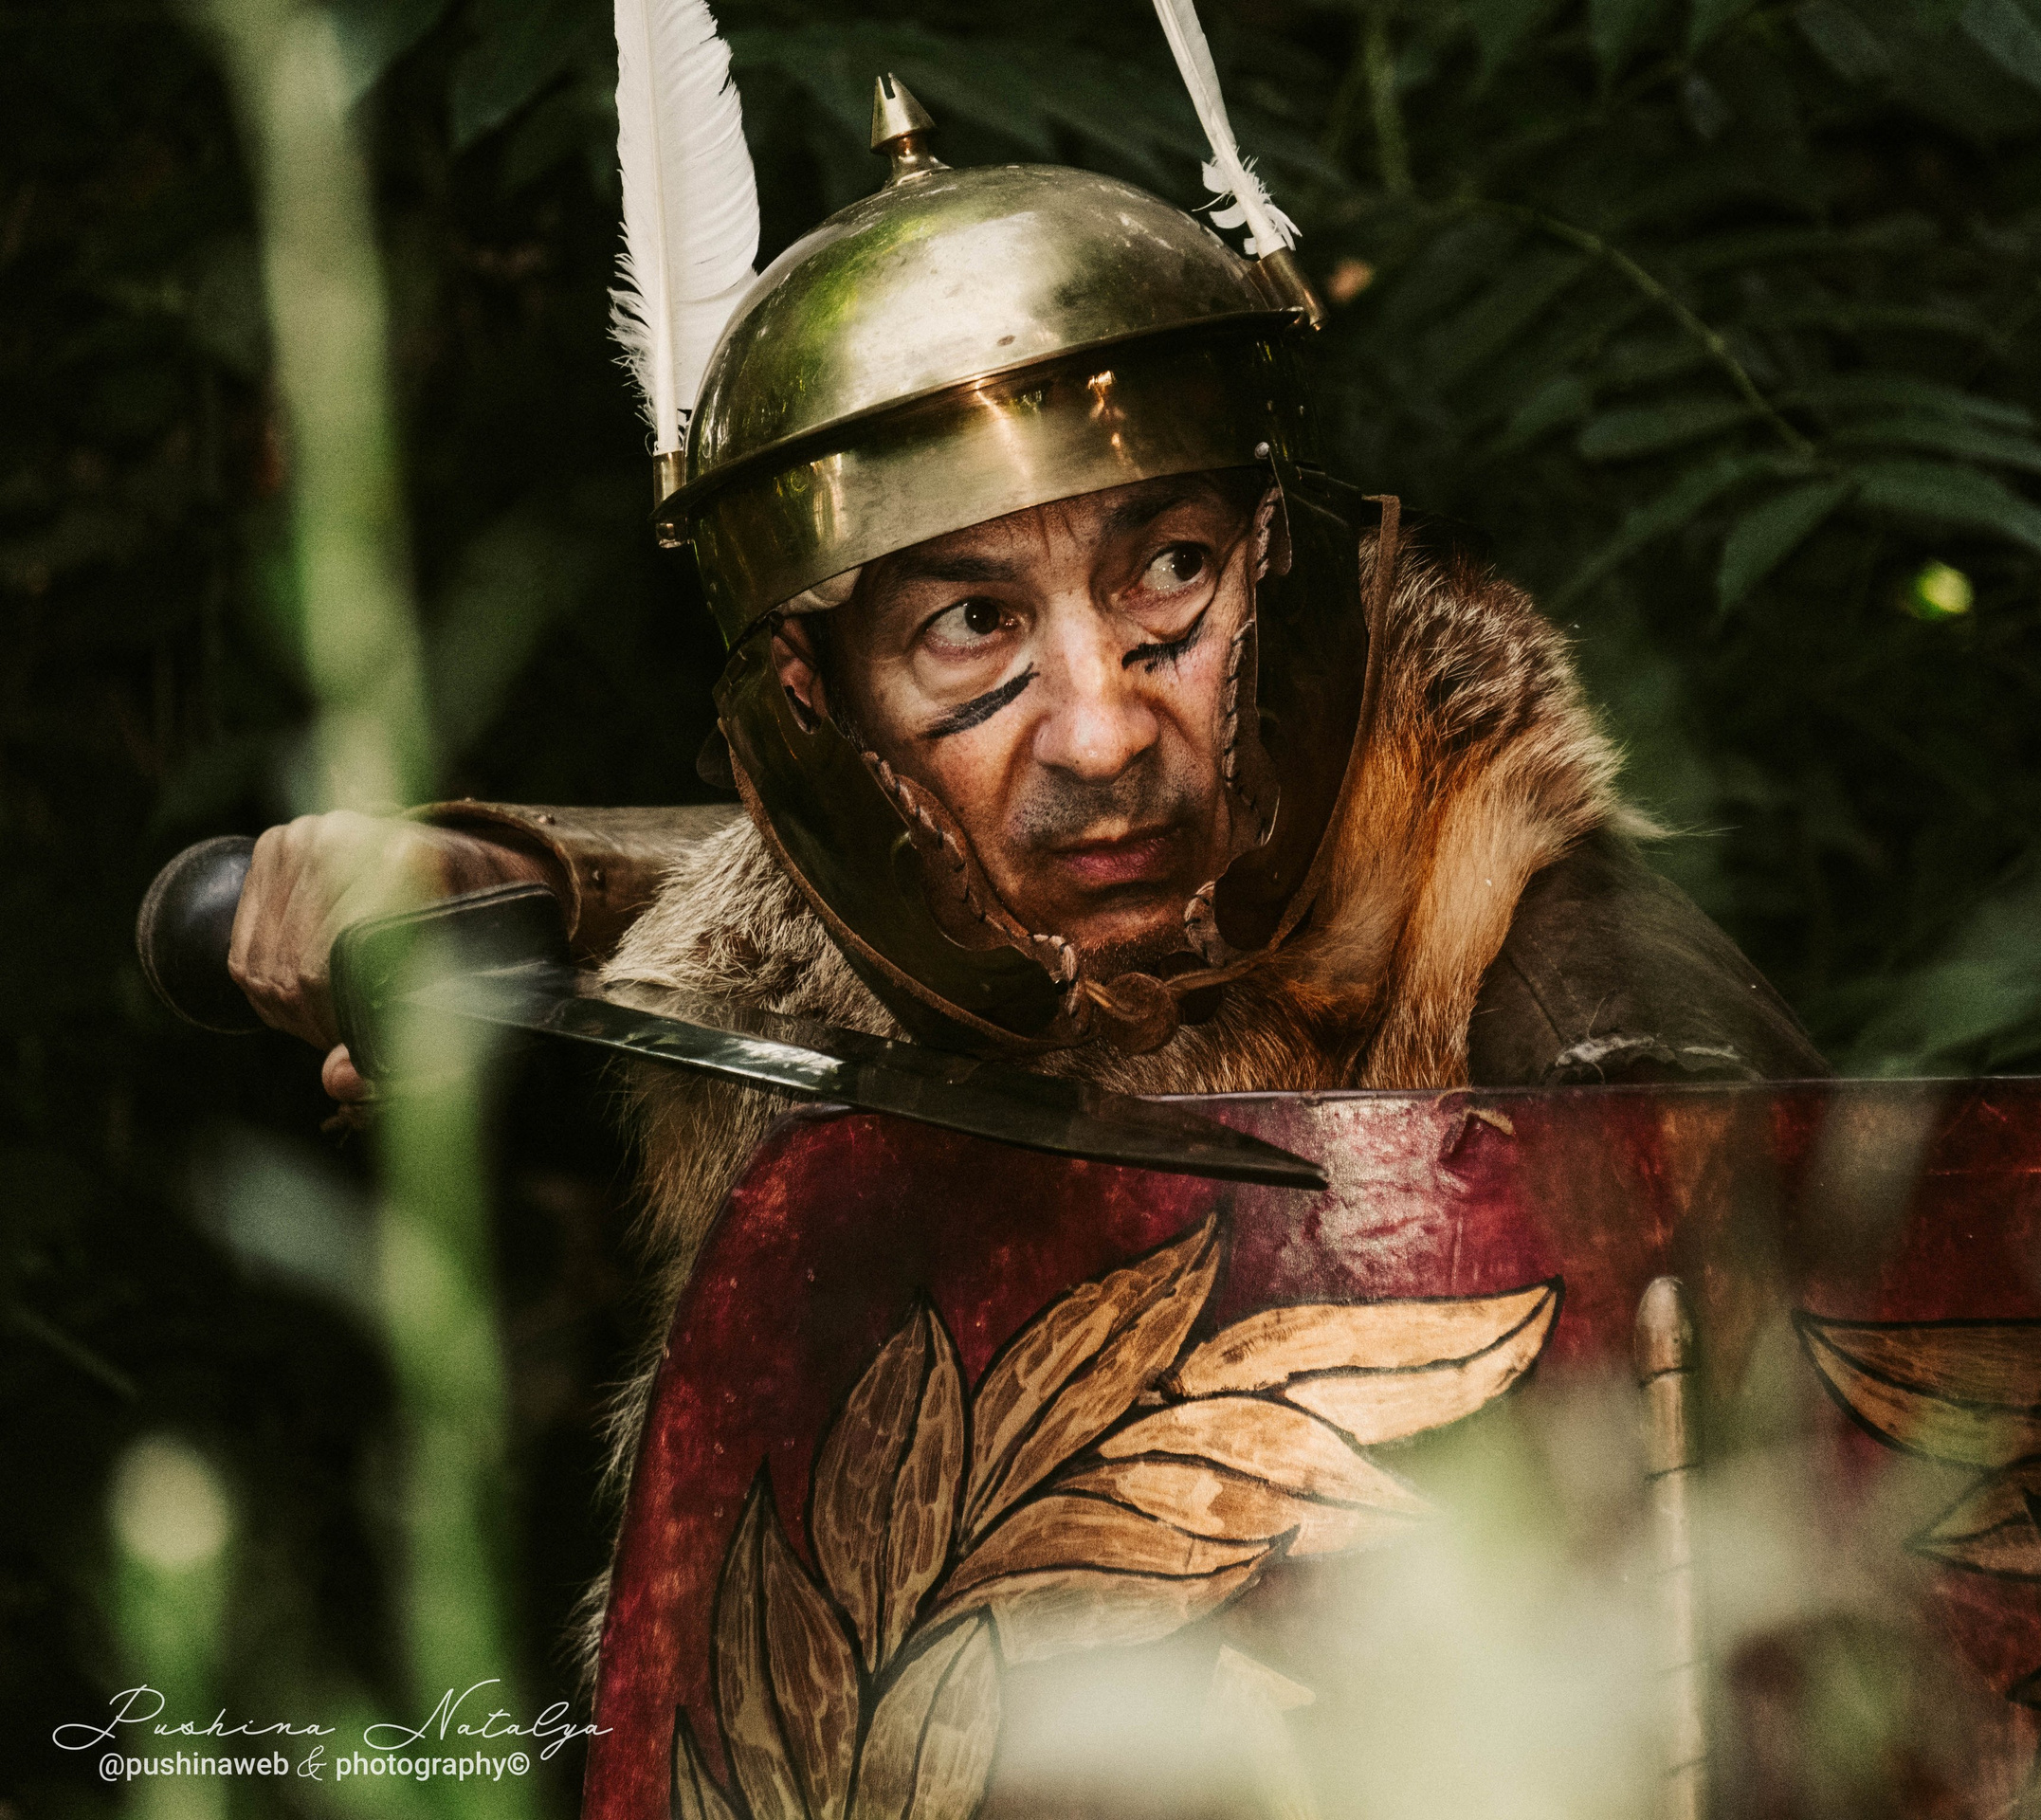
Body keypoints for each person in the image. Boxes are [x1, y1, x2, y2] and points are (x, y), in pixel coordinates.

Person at [227, 76, 1824, 1666]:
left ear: (1282, 564)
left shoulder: (1552, 970)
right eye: (973, 625)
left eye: (1172, 574)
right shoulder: (801, 967)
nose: (1102, 736)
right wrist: (509, 873)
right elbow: (824, 892)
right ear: (821, 706)